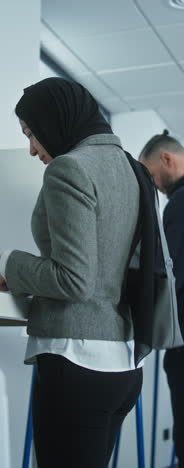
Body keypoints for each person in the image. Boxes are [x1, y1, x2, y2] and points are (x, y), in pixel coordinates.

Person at [0, 77, 143, 468]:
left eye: (31, 134)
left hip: (77, 360)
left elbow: (73, 278)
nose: (31, 149)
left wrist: (9, 263)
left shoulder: (69, 169)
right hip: (124, 365)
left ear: (54, 120)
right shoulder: (132, 170)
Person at [139, 130, 184, 468]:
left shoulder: (179, 205)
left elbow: (171, 274)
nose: (153, 185)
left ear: (167, 159)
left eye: (151, 174)